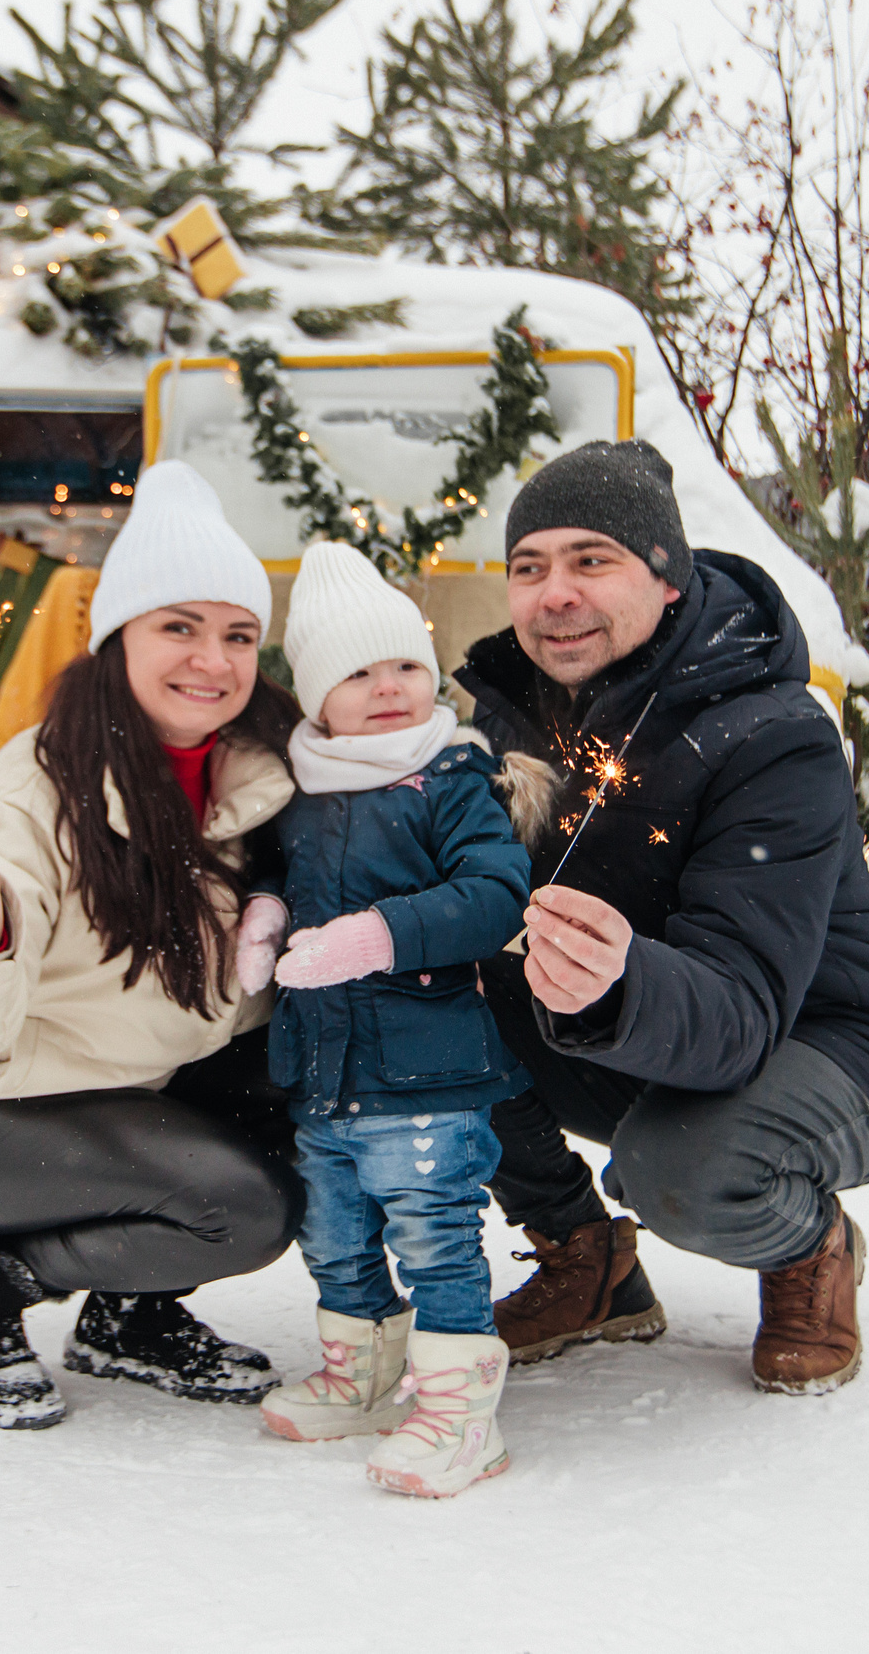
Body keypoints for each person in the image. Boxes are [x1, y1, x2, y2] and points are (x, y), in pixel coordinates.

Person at [454, 439, 869, 1395]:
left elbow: (747, 1004)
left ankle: (812, 1244)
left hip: (826, 1040)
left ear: (668, 580)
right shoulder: (515, 716)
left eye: (592, 560)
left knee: (683, 1170)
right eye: (529, 566)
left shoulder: (773, 733)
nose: (555, 593)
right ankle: (587, 1259)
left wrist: (621, 981)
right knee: (420, 1014)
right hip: (629, 1023)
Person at [0, 460, 305, 1430]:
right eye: (177, 627)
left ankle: (129, 1320)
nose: (211, 660)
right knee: (244, 1205)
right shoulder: (36, 792)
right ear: (118, 641)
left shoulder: (251, 779)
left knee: (308, 1109)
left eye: (236, 634)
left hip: (118, 1093)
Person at [241, 542, 538, 1498]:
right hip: (326, 1068)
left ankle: (459, 1412)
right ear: (317, 697)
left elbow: (495, 895)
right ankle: (362, 1373)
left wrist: (377, 935)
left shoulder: (446, 775)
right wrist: (267, 917)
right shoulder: (305, 787)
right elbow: (291, 880)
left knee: (432, 1229)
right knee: (332, 1231)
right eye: (358, 673)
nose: (388, 689)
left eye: (406, 664)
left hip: (426, 1066)